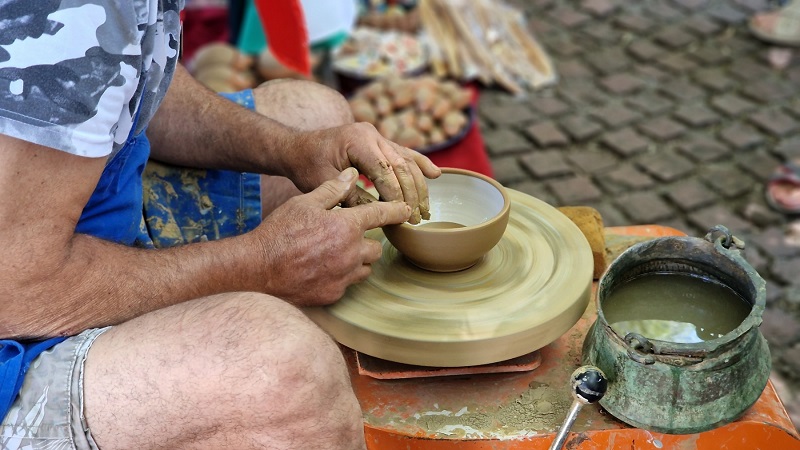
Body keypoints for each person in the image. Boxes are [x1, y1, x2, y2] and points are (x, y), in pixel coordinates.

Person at [0, 2, 440, 449]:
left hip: (51, 223)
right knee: (289, 372)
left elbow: (131, 76)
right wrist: (262, 265)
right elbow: (15, 292)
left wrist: (291, 149)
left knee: (313, 113)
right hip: (16, 319)